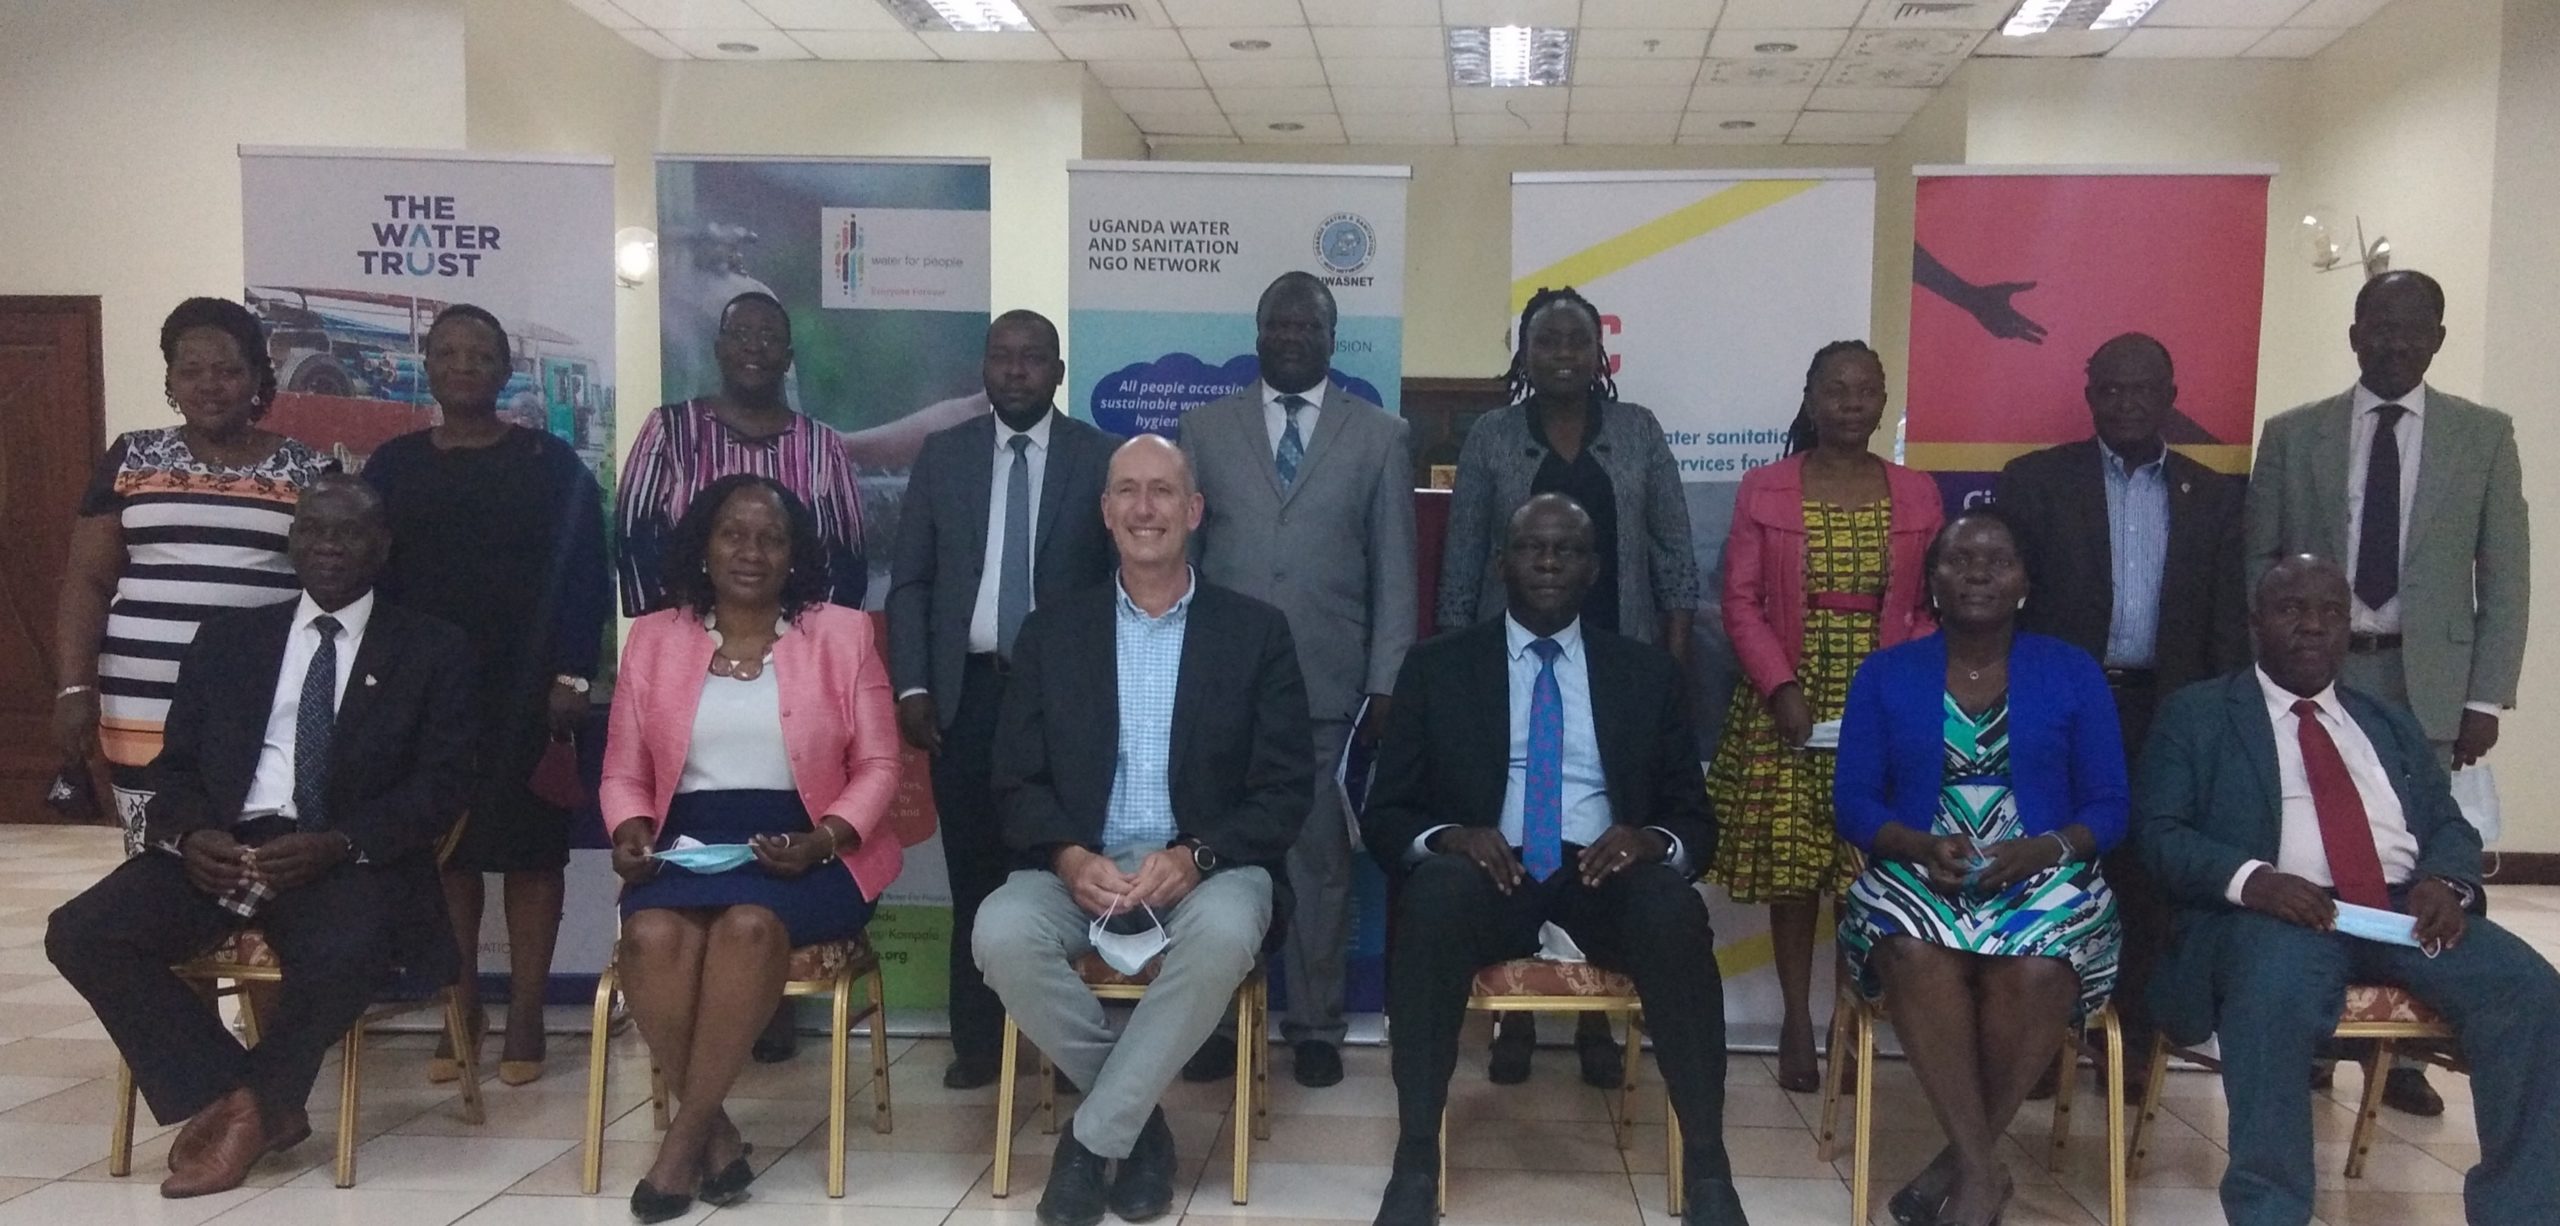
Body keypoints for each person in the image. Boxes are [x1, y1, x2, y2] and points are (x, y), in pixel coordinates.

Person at [45, 475, 474, 1199]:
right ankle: (248, 1097)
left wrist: (338, 843)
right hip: (226, 847)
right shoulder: (230, 640)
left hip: (341, 855)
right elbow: (176, 766)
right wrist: (190, 834)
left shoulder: (433, 648)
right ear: (292, 540)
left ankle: (255, 1107)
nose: (327, 547)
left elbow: (443, 786)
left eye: (347, 532)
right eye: (312, 530)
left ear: (382, 546)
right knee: (82, 931)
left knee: (348, 947)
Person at [2137, 555, 2560, 1226]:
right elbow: (2158, 835)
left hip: (2401, 911)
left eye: (2331, 614)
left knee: (2530, 990)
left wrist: (2445, 882)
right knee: (2272, 992)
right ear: (2256, 624)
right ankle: (2270, 1213)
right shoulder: (2200, 714)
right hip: (2277, 915)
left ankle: (2524, 1212)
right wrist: (2258, 881)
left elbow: (2448, 822)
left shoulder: (2385, 721)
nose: (2312, 627)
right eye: (2291, 611)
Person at [1362, 493, 1747, 1226]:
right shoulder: (1437, 667)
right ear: (1502, 562)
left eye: (1565, 549)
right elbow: (1387, 817)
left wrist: (1649, 841)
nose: (1546, 561)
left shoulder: (1645, 674)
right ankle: (1415, 1159)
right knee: (1432, 897)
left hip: (1601, 870)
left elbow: (1694, 821)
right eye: (1531, 548)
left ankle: (1707, 1166)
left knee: (1673, 908)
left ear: (1593, 568)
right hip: (1487, 868)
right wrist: (1451, 836)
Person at [977, 435, 1311, 1226]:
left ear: (1193, 511)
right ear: (1105, 512)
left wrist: (1198, 856)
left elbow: (1284, 790)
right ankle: (1144, 1127)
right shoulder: (1053, 632)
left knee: (1231, 930)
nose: (1144, 508)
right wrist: (1065, 854)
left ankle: (1090, 1146)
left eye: (1162, 491)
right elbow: (1014, 781)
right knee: (999, 932)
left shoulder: (1256, 633)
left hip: (1206, 867)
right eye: (1127, 491)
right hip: (1080, 865)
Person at [2243, 269, 2529, 1117]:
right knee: (2311, 841)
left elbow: (2505, 575)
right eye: (2379, 326)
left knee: (2412, 856)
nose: (2394, 342)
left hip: (2426, 677)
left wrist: (2487, 696)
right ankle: (2315, 1036)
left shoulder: (2483, 435)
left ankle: (2400, 1058)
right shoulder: (2295, 435)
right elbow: (2257, 564)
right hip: (2311, 667)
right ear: (2355, 331)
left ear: (2438, 338)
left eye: (2414, 329)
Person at [600, 474, 903, 1222]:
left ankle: (681, 1146)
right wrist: (629, 828)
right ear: (703, 545)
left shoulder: (842, 633)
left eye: (771, 538)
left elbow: (880, 767)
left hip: (808, 844)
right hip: (687, 844)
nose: (751, 551)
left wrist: (825, 838)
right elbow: (622, 771)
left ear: (794, 554)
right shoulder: (654, 638)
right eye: (733, 534)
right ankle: (717, 1129)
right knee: (649, 936)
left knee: (748, 929)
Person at [1833, 507, 2126, 1226]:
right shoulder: (1886, 673)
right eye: (1959, 561)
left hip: (2042, 870)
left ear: (2025, 580)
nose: (1977, 574)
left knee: (2038, 967)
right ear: (1931, 581)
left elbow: (2112, 805)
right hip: (1917, 867)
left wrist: (2042, 849)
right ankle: (1977, 1176)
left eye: (1997, 561)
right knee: (1908, 948)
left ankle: (1957, 1169)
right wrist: (1917, 846)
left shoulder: (2071, 671)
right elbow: (1853, 803)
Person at [1435, 286, 1697, 1085]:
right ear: (1523, 355)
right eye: (1545, 342)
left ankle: (1596, 1027)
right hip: (1512, 662)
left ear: (1600, 355)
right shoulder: (1489, 437)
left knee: (1606, 838)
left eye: (1576, 342)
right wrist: (1452, 673)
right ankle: (1514, 1023)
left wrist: (1674, 672)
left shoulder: (1640, 433)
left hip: (1622, 660)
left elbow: (1675, 558)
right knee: (1517, 837)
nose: (1561, 356)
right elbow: (1464, 559)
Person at [1177, 271, 1417, 1089]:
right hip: (1217, 688)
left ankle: (1315, 1025)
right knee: (1210, 861)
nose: (1288, 337)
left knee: (1319, 866)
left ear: (1330, 335)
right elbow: (1184, 562)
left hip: (1326, 691)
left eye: (1305, 326)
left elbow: (1394, 571)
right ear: (1257, 329)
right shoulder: (1203, 429)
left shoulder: (1379, 435)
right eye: (1275, 323)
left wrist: (1387, 680)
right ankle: (1208, 1022)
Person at [363, 304, 611, 1088]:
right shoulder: (392, 467)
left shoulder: (550, 462)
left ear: (508, 371)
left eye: (481, 354)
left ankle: (529, 1013)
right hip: (426, 692)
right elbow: (371, 578)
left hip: (531, 688)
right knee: (448, 853)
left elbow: (586, 575)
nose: (464, 365)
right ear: (427, 366)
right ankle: (461, 1004)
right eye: (448, 352)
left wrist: (573, 675)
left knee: (532, 852)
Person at [1993, 332, 2247, 1093]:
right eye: (2110, 388)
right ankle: (2037, 1042)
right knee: (2049, 871)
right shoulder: (2035, 482)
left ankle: (2131, 1037)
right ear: (2088, 393)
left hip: (2169, 711)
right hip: (2064, 707)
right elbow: (2002, 607)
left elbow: (2227, 624)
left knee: (2148, 878)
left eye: (2143, 389)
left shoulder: (2218, 495)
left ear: (2172, 394)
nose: (2127, 402)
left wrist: (2222, 722)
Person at [887, 309, 1119, 1090]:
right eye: (1002, 357)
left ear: (1058, 372)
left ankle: (1060, 1041)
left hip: (1065, 702)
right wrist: (914, 684)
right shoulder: (943, 456)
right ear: (983, 368)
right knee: (975, 871)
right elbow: (912, 580)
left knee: (1057, 868)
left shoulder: (1098, 458)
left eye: (1033, 359)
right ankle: (979, 1042)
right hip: (967, 693)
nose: (1016, 371)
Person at [1708, 340, 1942, 1092]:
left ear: (1882, 402)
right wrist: (1781, 687)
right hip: (1788, 698)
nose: (1850, 402)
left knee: (1860, 865)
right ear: (1809, 397)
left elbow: (1932, 607)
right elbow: (1739, 601)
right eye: (1835, 389)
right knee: (1793, 865)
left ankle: (1848, 1018)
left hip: (1882, 693)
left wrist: (1890, 693)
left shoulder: (1918, 494)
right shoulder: (1766, 488)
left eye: (1866, 390)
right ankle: (1794, 1024)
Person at [55, 297, 335, 855]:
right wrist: (73, 687)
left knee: (251, 849)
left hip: (263, 694)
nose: (210, 385)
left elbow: (330, 588)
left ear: (258, 376)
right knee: (153, 856)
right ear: (171, 378)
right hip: (142, 697)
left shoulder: (308, 469)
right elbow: (86, 581)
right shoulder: (132, 457)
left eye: (229, 370)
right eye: (191, 370)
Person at [618, 291, 866, 617]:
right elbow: (634, 540)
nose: (754, 346)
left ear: (789, 358)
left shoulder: (824, 446)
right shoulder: (668, 430)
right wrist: (675, 629)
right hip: (685, 640)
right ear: (719, 349)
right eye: (741, 334)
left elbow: (848, 560)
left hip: (800, 647)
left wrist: (814, 637)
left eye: (769, 336)